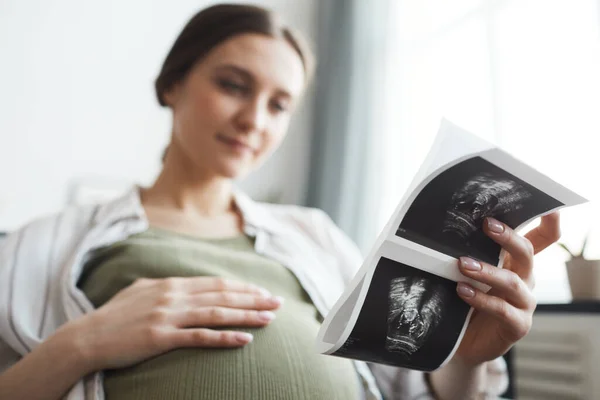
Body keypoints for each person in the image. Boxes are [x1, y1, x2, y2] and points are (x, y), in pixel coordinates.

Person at [0, 4, 560, 400]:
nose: (254, 120)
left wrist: (466, 356)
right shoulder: (52, 242)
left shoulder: (314, 235)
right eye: (234, 85)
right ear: (173, 83)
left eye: (279, 104)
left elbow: (414, 392)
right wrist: (84, 342)